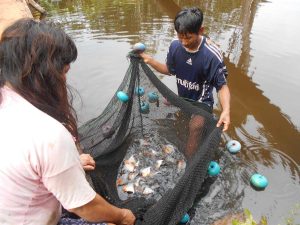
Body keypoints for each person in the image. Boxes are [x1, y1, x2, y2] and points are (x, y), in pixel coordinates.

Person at [0, 18, 135, 225]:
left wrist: (68, 165)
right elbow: (83, 206)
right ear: (45, 75)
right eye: (64, 72)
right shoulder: (48, 134)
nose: (65, 80)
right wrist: (123, 216)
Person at [139, 7, 230, 157]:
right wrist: (149, 60)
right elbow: (169, 70)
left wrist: (226, 110)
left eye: (188, 38)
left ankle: (188, 164)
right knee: (182, 126)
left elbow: (222, 87)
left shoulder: (212, 54)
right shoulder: (175, 45)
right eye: (180, 36)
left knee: (196, 126)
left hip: (202, 102)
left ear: (201, 30)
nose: (184, 42)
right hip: (183, 99)